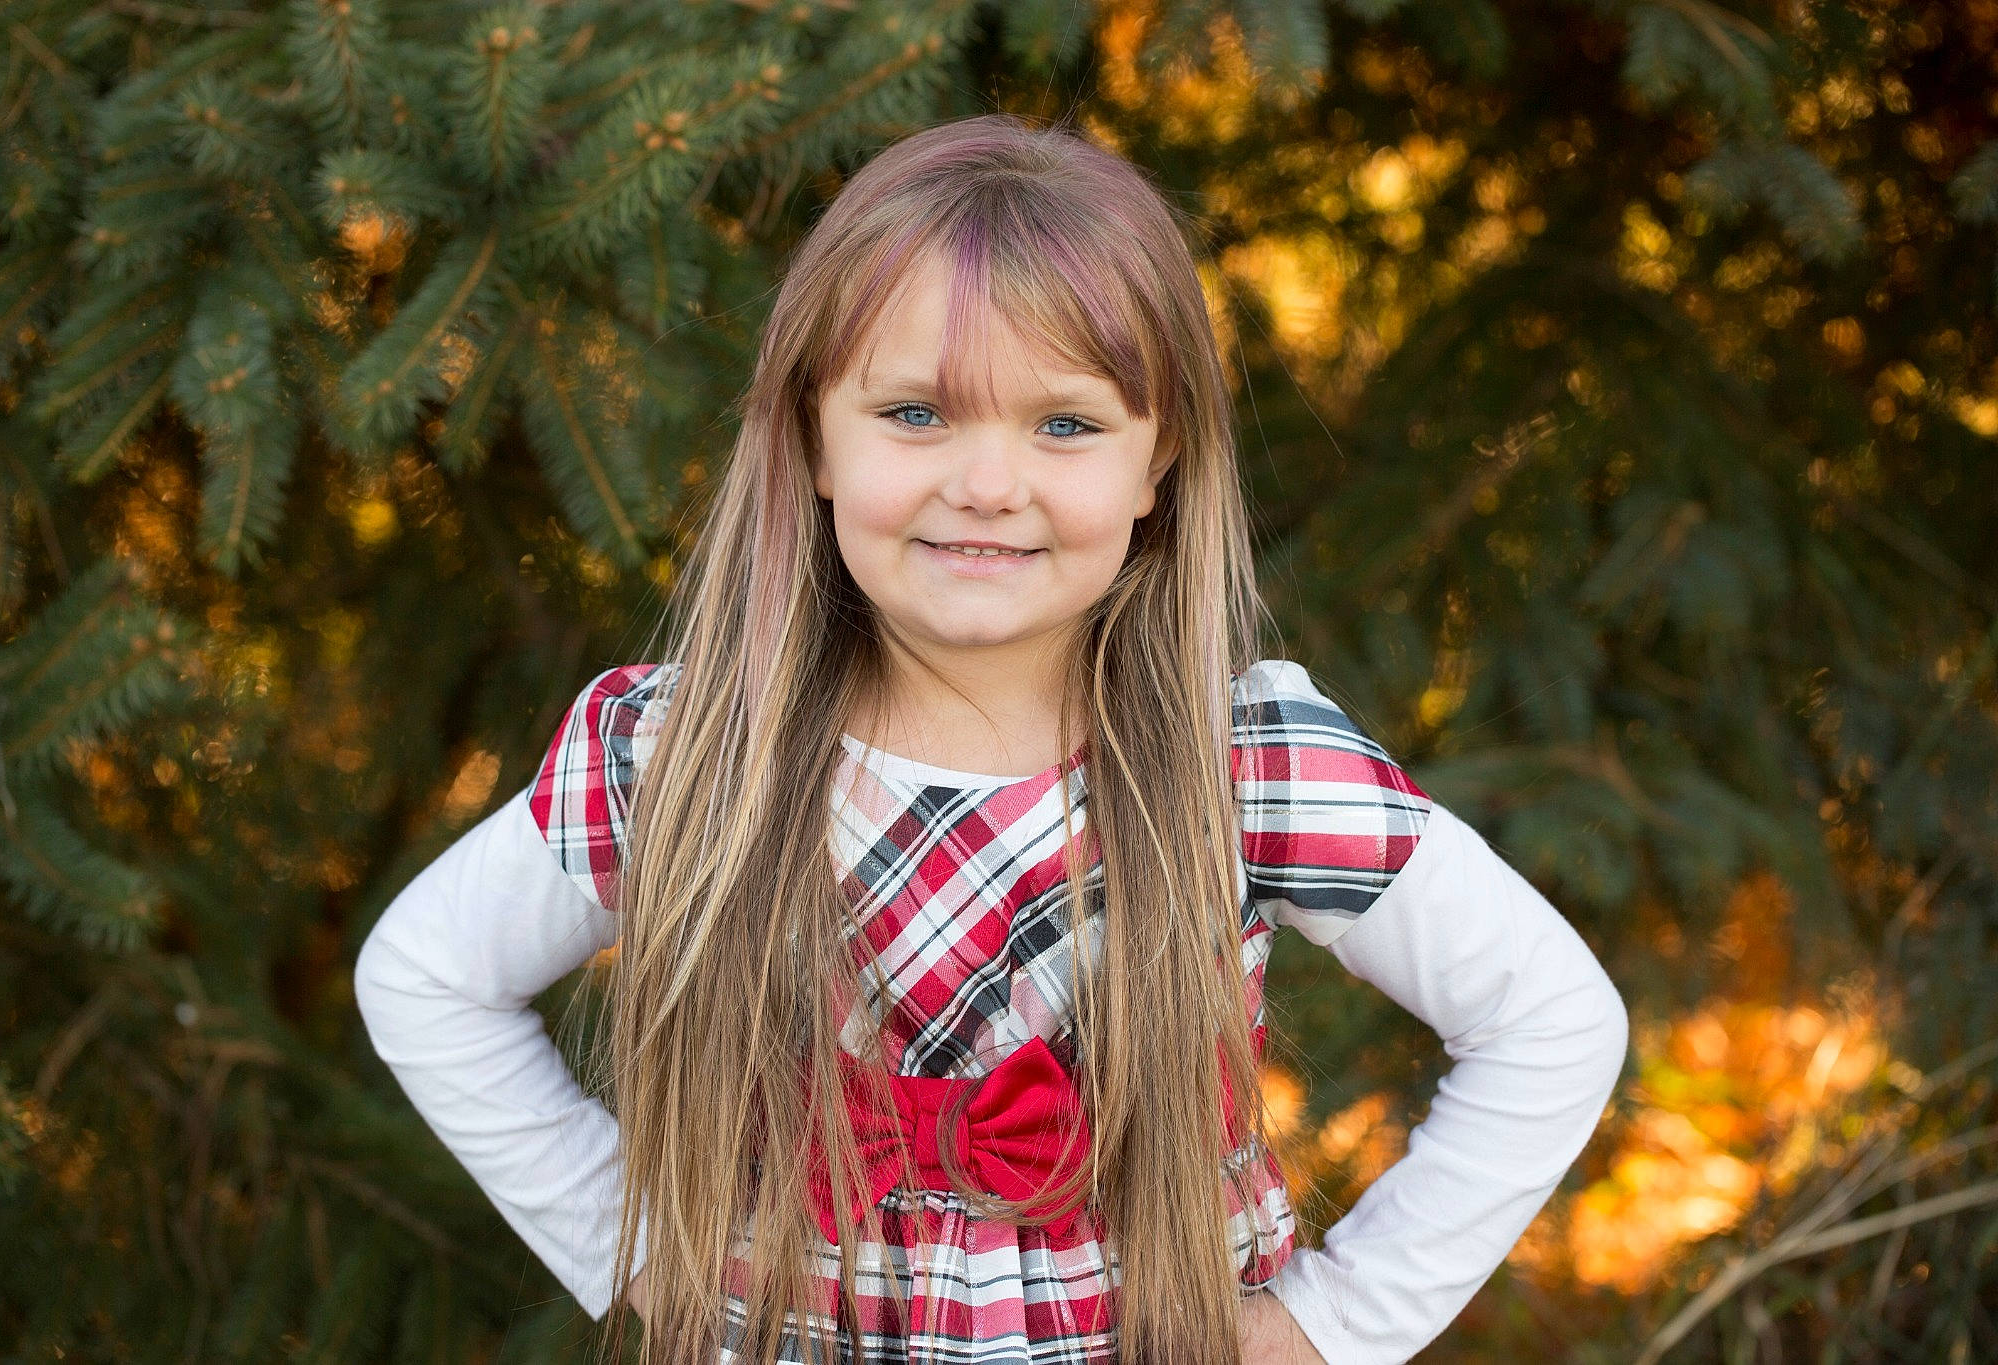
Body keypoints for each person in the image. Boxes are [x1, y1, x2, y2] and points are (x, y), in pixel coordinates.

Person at [354, 113, 1630, 1365]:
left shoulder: (1238, 761)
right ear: (809, 433)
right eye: (915, 414)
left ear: (1157, 462)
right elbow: (427, 977)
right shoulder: (682, 755)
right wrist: (635, 1259)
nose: (986, 483)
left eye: (1064, 425)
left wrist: (1328, 1327)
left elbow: (1550, 1021)